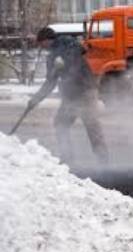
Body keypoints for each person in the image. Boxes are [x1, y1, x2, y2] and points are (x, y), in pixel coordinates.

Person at [28, 27, 108, 165]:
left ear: (47, 40)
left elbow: (77, 54)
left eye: (41, 43)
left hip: (85, 91)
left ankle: (103, 159)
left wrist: (64, 62)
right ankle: (67, 158)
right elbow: (50, 82)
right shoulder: (52, 56)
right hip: (70, 95)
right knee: (60, 124)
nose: (41, 47)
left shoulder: (68, 43)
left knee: (91, 124)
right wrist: (36, 99)